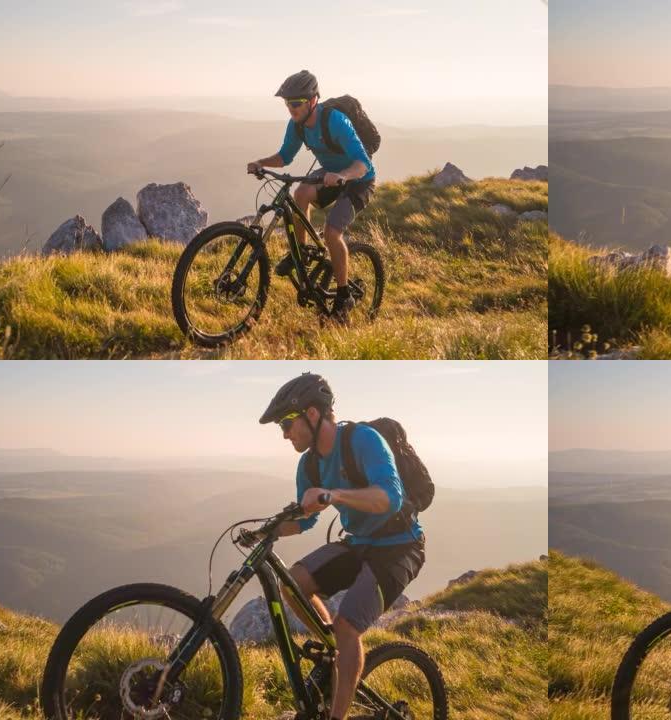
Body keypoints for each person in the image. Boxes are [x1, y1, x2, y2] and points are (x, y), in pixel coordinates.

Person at [250, 373, 425, 720]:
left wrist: (333, 495)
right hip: (358, 543)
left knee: (349, 627)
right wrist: (264, 533)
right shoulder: (310, 463)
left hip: (399, 546)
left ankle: (336, 714)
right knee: (294, 584)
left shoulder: (364, 440)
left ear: (313, 414)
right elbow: (305, 519)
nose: (284, 433)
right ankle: (337, 651)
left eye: (287, 423)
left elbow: (390, 498)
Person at [246, 70, 376, 320]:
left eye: (296, 103)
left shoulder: (336, 121)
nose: (291, 108)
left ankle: (343, 294)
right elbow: (284, 157)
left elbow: (363, 164)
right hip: (330, 173)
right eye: (287, 103)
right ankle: (302, 255)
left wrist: (343, 176)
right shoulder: (297, 126)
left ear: (313, 100)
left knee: (331, 233)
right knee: (301, 192)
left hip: (358, 179)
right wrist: (261, 162)